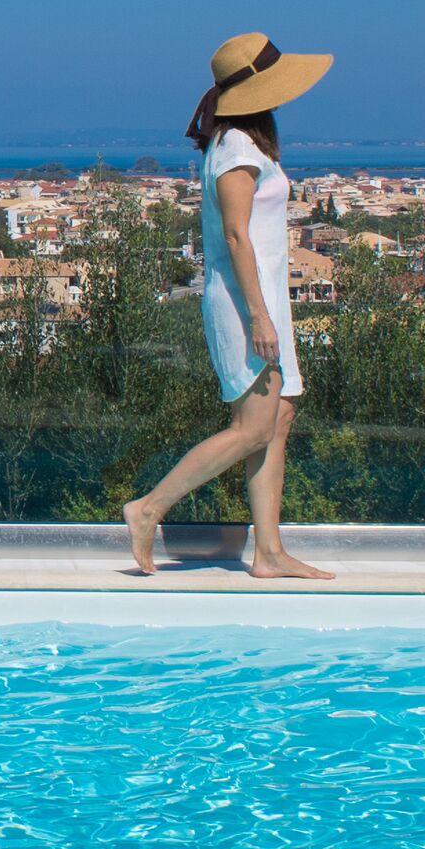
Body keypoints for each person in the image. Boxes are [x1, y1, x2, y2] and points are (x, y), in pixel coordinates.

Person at [123, 30, 337, 580]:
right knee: (252, 428)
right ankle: (148, 509)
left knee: (279, 417)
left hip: (262, 299)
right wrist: (261, 317)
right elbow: (237, 238)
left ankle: (268, 552)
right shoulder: (238, 148)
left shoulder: (242, 143)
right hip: (245, 304)